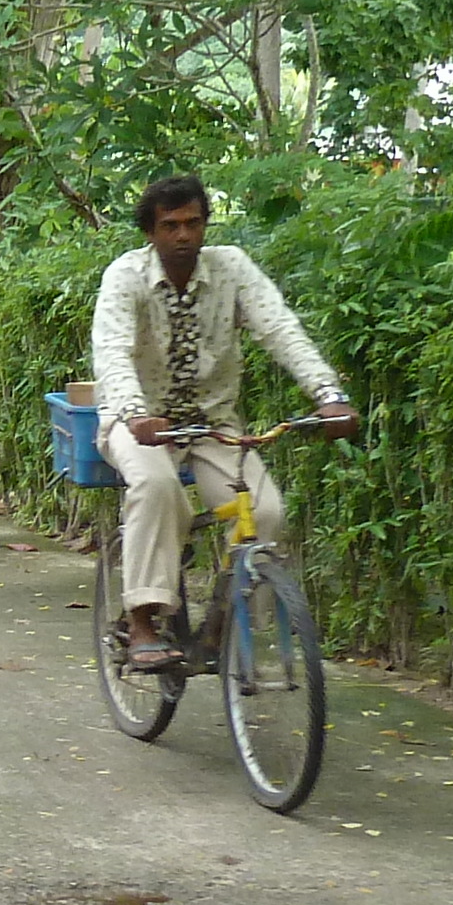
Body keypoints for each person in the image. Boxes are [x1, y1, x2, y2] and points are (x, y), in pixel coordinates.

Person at [87, 172, 355, 672]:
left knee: (267, 511)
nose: (184, 235)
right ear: (151, 231)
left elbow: (281, 330)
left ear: (207, 224)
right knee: (156, 486)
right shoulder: (125, 276)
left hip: (214, 424)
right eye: (170, 226)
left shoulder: (231, 268)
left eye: (193, 223)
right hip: (139, 421)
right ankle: (143, 620)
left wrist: (328, 395)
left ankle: (219, 627)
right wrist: (135, 411)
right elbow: (113, 353)